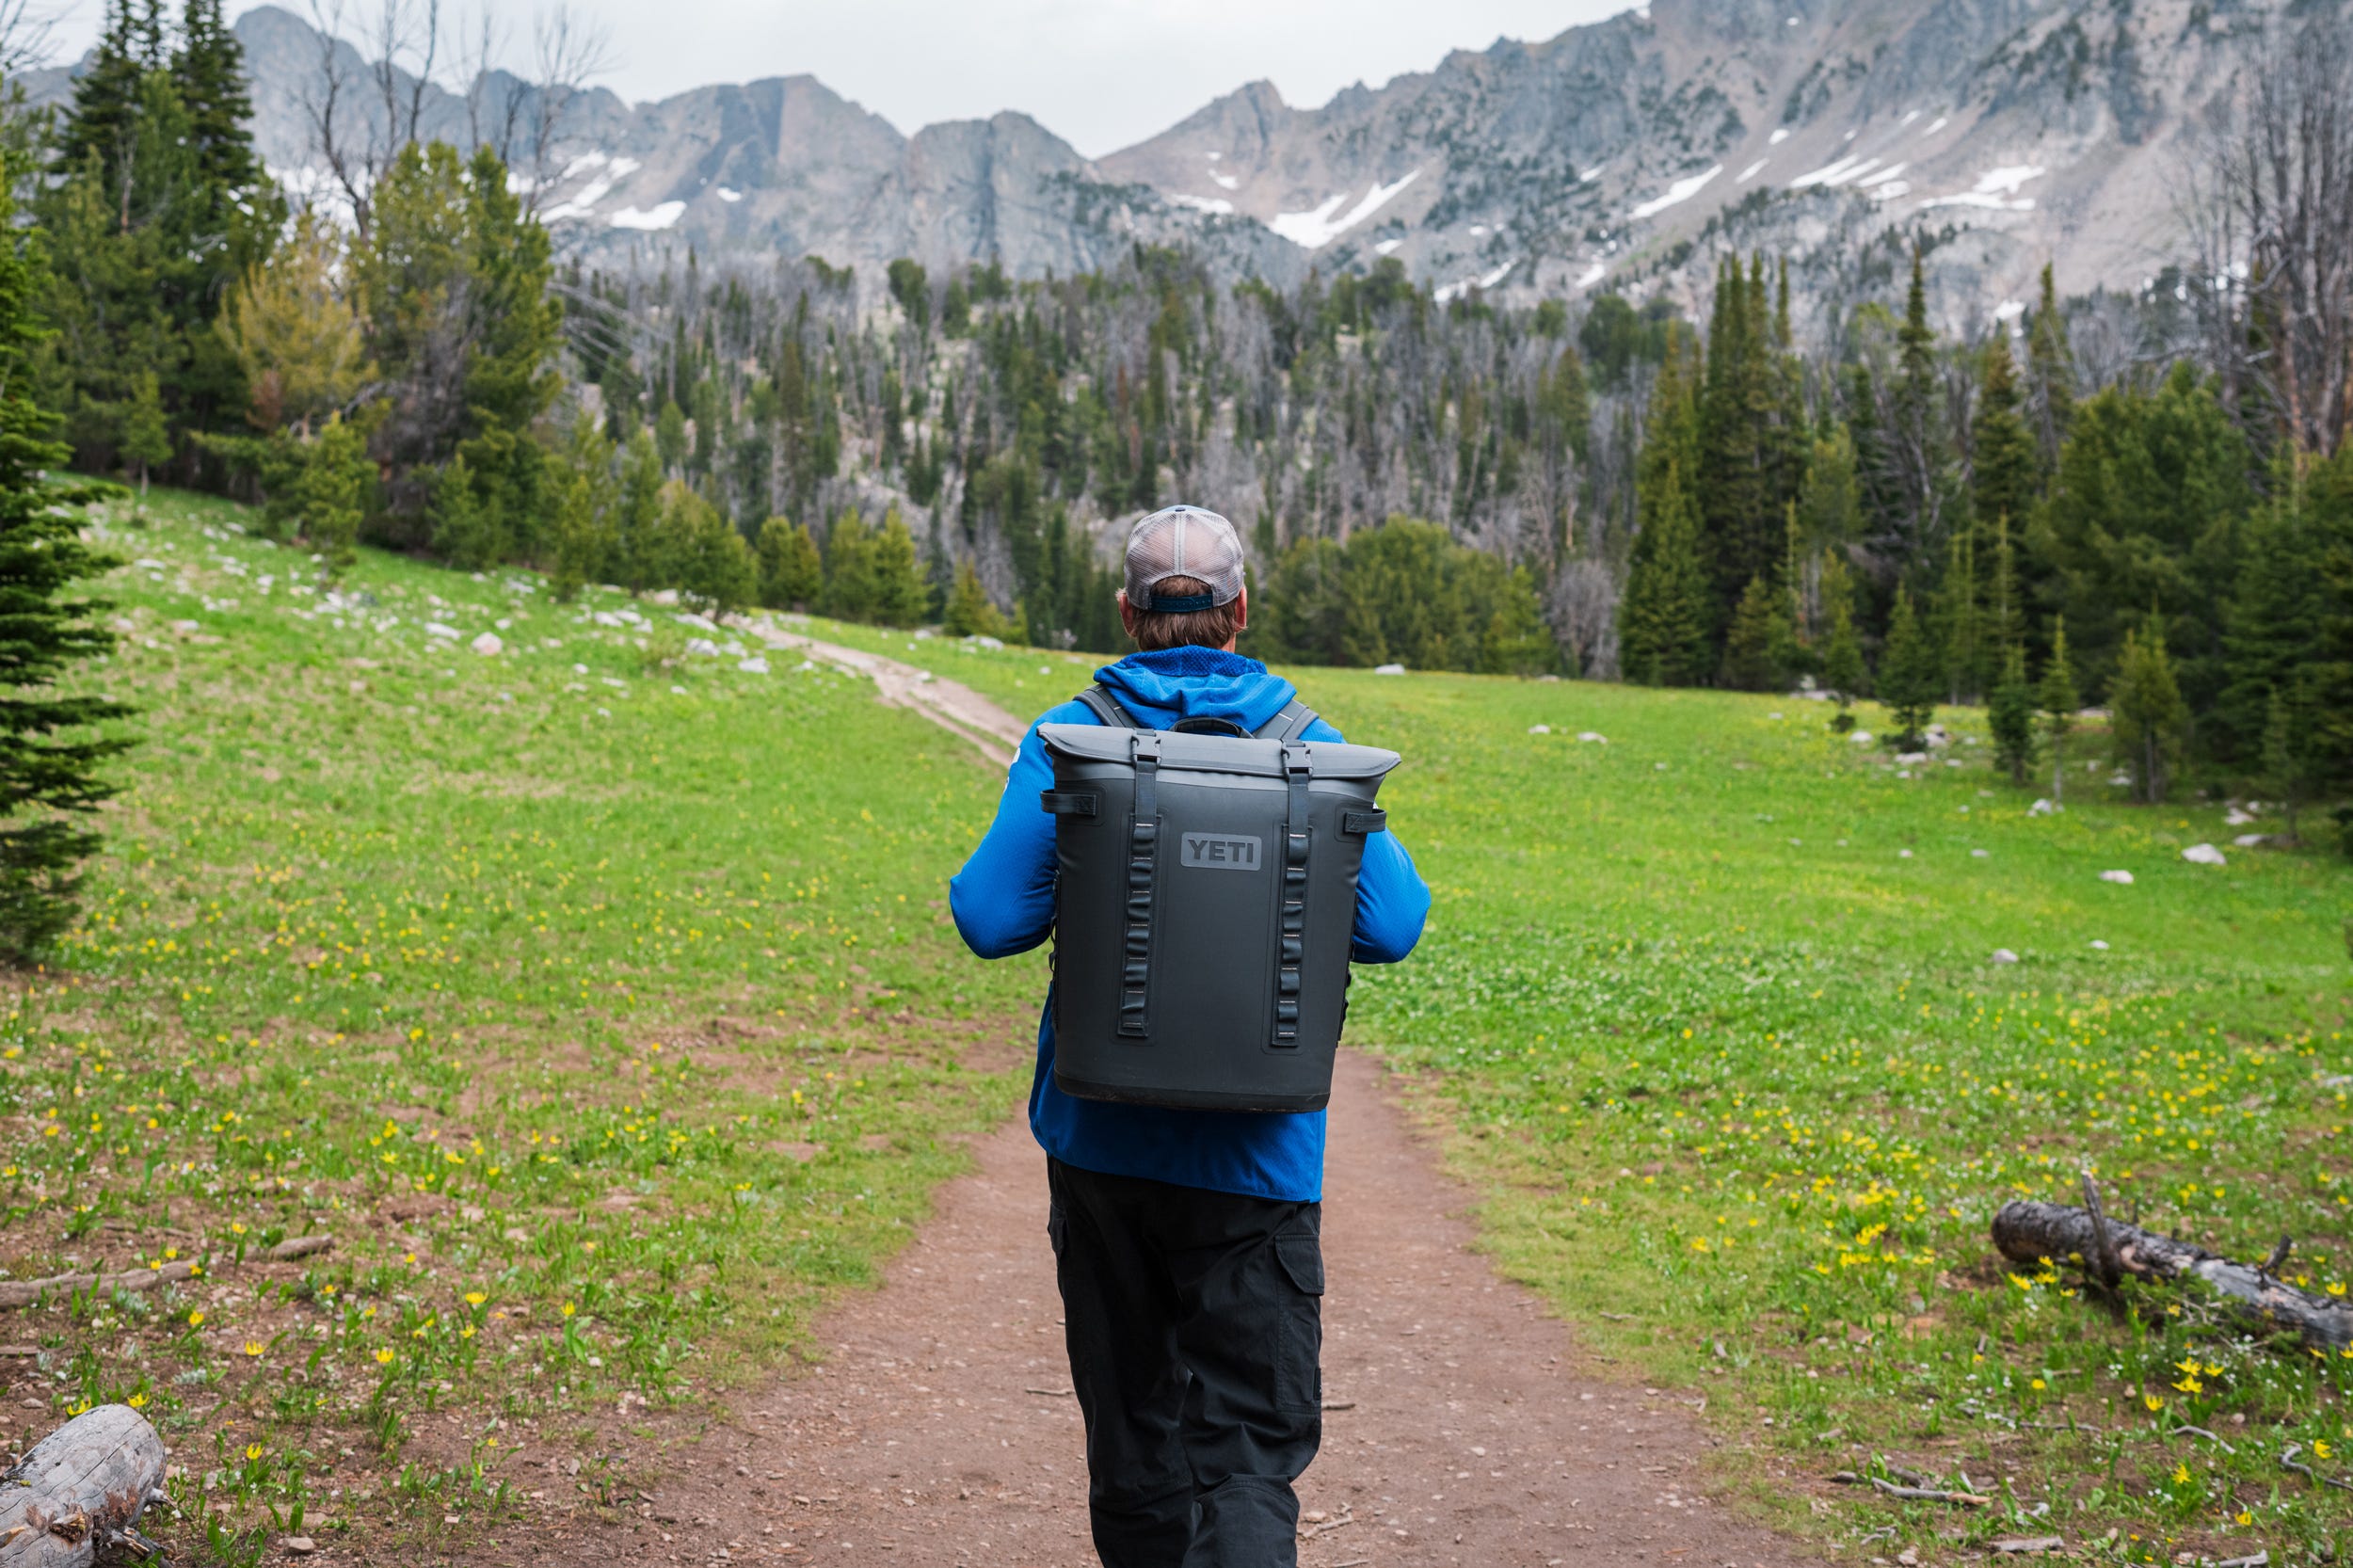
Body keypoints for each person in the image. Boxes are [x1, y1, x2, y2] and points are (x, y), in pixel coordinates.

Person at [949, 504, 1431, 1567]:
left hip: (1100, 1150)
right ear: (1240, 611)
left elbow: (988, 919)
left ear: (1126, 613)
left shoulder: (1068, 742)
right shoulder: (1315, 747)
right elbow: (1392, 927)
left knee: (1133, 1448)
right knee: (1246, 1454)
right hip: (1257, 1163)